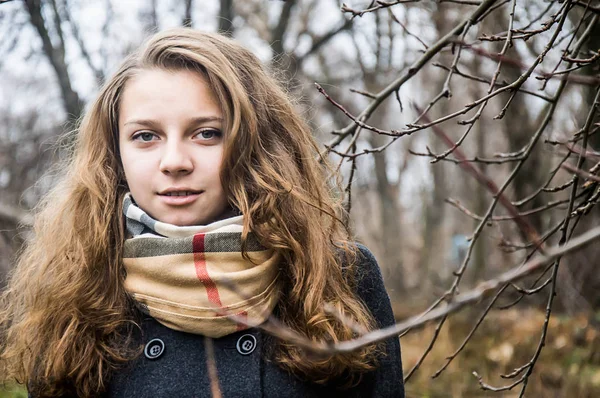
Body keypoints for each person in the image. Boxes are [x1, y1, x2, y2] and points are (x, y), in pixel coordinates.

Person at [0, 28, 405, 397]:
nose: (174, 161)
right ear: (114, 154)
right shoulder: (77, 291)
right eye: (145, 136)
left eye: (206, 133)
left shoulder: (338, 277)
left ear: (256, 144)